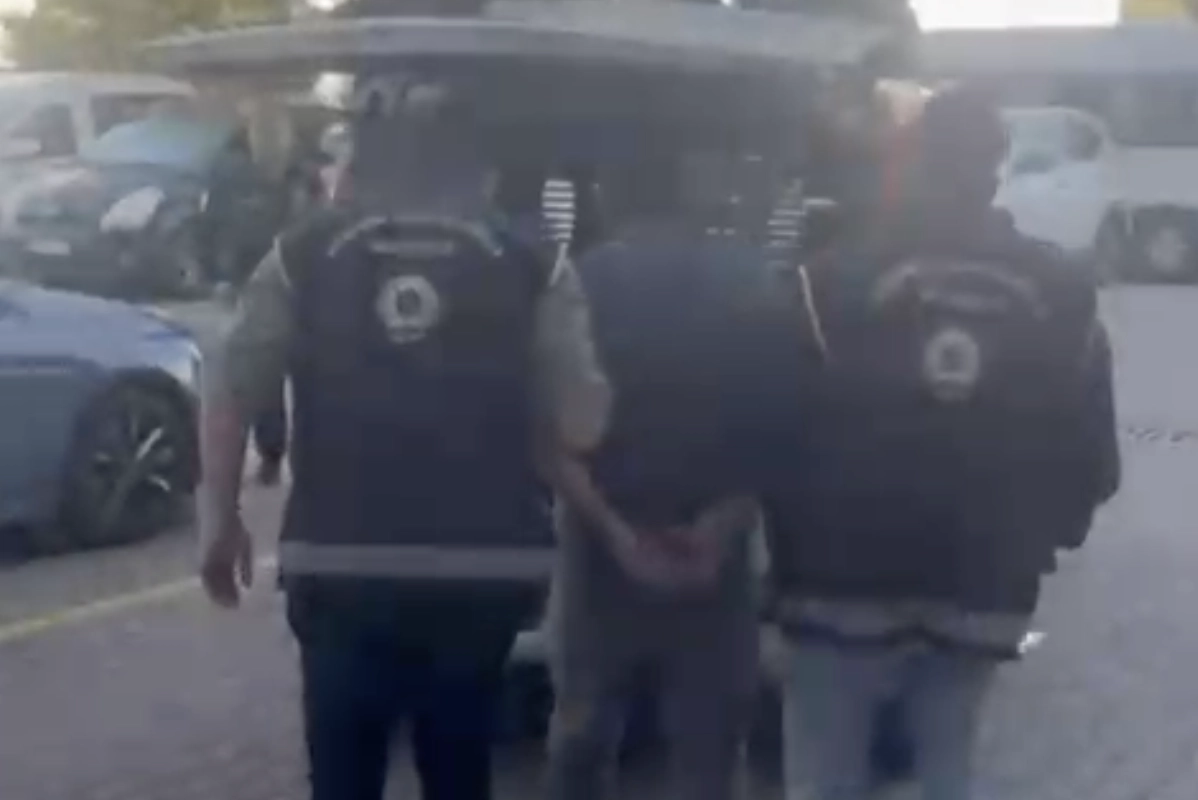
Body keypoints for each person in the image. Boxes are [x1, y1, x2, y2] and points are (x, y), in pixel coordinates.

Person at [197, 78, 610, 800]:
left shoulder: (303, 253)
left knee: (343, 772)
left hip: (336, 562)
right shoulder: (534, 262)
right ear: (482, 170)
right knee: (458, 764)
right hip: (481, 568)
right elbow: (582, 423)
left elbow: (232, 392)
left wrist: (221, 520)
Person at [761, 86, 1121, 800]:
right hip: (983, 590)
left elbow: (769, 428)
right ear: (996, 167)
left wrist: (779, 545)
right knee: (948, 760)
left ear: (913, 161)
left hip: (836, 584)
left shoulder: (825, 282)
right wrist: (1042, 533)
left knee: (826, 773)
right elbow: (1094, 464)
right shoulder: (1064, 290)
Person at [543, 151, 767, 800]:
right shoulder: (749, 279)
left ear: (608, 198)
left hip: (600, 545)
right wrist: (722, 526)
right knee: (708, 750)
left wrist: (617, 534)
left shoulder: (579, 282)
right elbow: (783, 424)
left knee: (582, 733)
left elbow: (549, 428)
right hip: (714, 553)